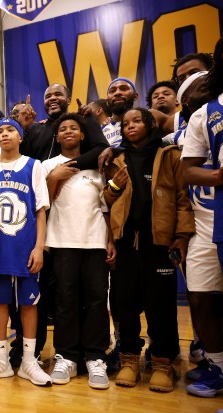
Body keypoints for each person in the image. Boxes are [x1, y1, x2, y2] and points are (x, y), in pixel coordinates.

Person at [103, 108, 194, 392]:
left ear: (150, 124)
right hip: (126, 242)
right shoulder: (116, 158)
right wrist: (115, 183)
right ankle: (130, 359)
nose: (130, 126)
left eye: (137, 121)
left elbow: (182, 199)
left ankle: (162, 362)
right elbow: (106, 197)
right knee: (126, 304)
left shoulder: (169, 155)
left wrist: (181, 235)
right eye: (125, 123)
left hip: (160, 243)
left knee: (161, 306)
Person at [0, 117, 51, 386]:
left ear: (20, 137)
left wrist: (39, 247)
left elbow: (41, 211)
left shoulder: (34, 166)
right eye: (0, 131)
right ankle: (1, 360)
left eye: (10, 130)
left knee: (29, 304)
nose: (4, 134)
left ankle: (29, 361)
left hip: (26, 246)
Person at [42, 114, 114, 390]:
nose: (68, 131)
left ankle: (96, 356)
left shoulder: (98, 166)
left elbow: (106, 205)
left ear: (83, 135)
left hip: (95, 241)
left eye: (74, 128)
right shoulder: (47, 165)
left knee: (97, 300)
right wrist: (53, 178)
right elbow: (43, 205)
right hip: (61, 242)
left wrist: (111, 240)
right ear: (57, 137)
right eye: (63, 129)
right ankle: (67, 356)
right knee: (66, 300)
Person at [181, 38, 223, 397]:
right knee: (200, 298)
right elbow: (186, 171)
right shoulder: (196, 120)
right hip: (202, 224)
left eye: (202, 78)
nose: (201, 84)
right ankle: (218, 365)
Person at [102, 78, 139, 147]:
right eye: (112, 91)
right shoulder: (101, 130)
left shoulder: (146, 121)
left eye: (124, 89)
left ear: (135, 96)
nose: (117, 93)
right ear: (107, 102)